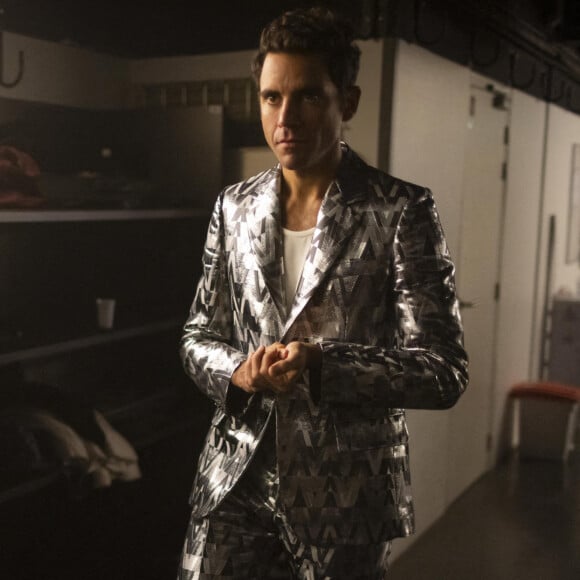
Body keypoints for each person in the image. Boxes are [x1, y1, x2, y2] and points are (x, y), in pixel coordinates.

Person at [178, 6, 468, 579]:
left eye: (308, 96)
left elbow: (443, 370)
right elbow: (196, 336)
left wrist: (322, 366)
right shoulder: (232, 207)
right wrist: (239, 371)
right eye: (270, 98)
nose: (285, 117)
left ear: (348, 103)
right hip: (234, 479)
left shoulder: (400, 210)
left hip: (348, 496)